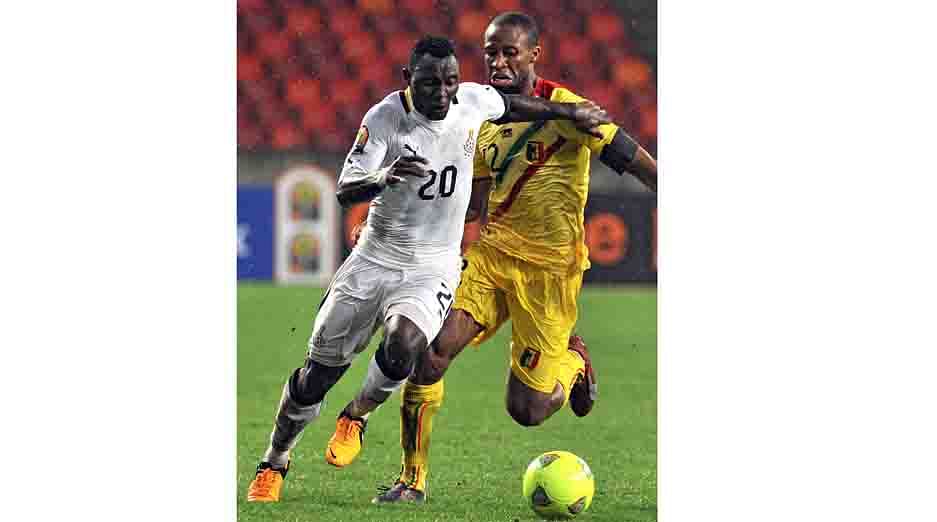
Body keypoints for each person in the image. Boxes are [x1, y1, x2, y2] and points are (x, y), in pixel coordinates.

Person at [245, 34, 611, 503]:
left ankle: (357, 414)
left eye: (449, 82)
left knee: (406, 344)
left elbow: (518, 107)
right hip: (373, 261)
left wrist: (570, 112)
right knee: (317, 375)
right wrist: (382, 177)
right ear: (407, 81)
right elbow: (345, 188)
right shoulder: (384, 119)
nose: (441, 93)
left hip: (431, 266)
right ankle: (275, 460)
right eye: (428, 84)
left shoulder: (472, 102)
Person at [343, 13, 658, 503]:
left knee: (527, 410)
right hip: (493, 255)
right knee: (429, 353)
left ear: (535, 55)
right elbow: (470, 205)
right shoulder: (482, 116)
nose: (499, 61)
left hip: (550, 271)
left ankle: (573, 361)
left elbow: (627, 154)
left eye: (510, 52)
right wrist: (385, 228)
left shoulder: (566, 109)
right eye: (491, 52)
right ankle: (412, 480)